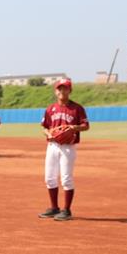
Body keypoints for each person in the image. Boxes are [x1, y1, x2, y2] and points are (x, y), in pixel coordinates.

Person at [40, 78, 89, 221]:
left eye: (65, 88)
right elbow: (44, 127)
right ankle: (54, 207)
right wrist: (49, 133)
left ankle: (67, 210)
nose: (62, 91)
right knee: (49, 178)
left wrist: (74, 127)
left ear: (70, 90)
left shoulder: (77, 108)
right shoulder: (50, 109)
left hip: (68, 147)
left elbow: (86, 126)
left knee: (66, 179)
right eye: (60, 88)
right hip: (52, 145)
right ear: (56, 91)